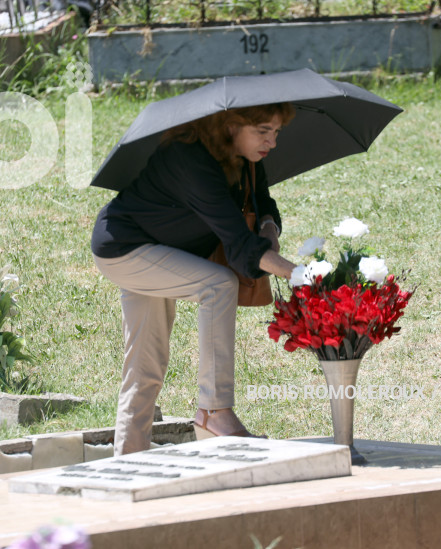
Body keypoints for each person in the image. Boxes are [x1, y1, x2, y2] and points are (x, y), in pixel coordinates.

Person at [91, 103, 299, 455]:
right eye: (263, 131)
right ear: (232, 125)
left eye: (276, 132)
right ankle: (214, 411)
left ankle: (127, 460)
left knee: (145, 365)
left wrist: (268, 226)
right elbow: (240, 244)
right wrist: (302, 275)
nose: (272, 142)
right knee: (218, 284)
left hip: (162, 248)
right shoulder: (190, 159)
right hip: (125, 247)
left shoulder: (245, 157)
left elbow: (264, 201)